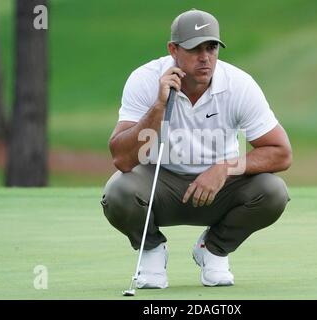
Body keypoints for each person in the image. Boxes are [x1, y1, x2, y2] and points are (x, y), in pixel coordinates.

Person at [101, 9, 292, 289]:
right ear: (173, 50)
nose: (205, 58)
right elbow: (121, 158)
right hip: (159, 185)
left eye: (211, 47)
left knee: (273, 192)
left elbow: (281, 152)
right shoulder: (145, 79)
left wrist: (226, 167)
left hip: (219, 188)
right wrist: (158, 106)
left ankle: (212, 250)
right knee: (118, 193)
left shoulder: (238, 85)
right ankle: (151, 251)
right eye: (194, 49)